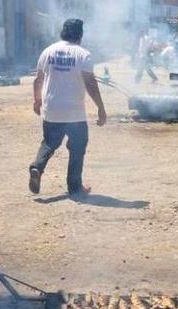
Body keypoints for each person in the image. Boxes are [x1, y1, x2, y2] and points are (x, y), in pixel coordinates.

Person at [28, 19, 107, 196]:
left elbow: (38, 80)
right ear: (80, 34)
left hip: (52, 108)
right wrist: (101, 107)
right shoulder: (83, 54)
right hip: (74, 112)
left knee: (49, 143)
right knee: (78, 147)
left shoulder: (48, 51)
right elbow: (90, 83)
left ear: (62, 32)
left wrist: (37, 101)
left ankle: (37, 168)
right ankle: (75, 187)